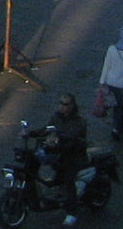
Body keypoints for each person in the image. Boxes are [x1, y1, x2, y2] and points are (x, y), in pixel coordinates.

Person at [45, 93, 90, 225]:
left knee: (69, 180)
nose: (62, 106)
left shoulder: (78, 121)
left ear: (72, 105)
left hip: (75, 155)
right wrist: (30, 133)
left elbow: (72, 136)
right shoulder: (56, 117)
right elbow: (47, 129)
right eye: (61, 103)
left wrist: (59, 138)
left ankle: (72, 212)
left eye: (65, 104)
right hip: (61, 153)